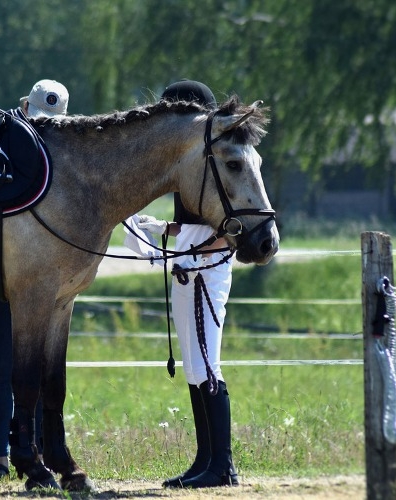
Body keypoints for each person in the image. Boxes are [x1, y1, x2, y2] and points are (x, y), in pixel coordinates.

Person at [127, 80, 239, 489]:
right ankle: (204, 460)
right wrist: (167, 229)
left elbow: (235, 223)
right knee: (194, 366)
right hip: (192, 253)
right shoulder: (191, 160)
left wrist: (199, 249)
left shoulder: (221, 159)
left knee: (208, 363)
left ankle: (222, 466)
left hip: (208, 260)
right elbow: (194, 222)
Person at [0, 79, 69, 484]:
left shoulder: (67, 162)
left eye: (52, 122)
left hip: (41, 280)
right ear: (25, 108)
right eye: (38, 118)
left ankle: (38, 452)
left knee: (43, 369)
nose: (42, 127)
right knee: (0, 368)